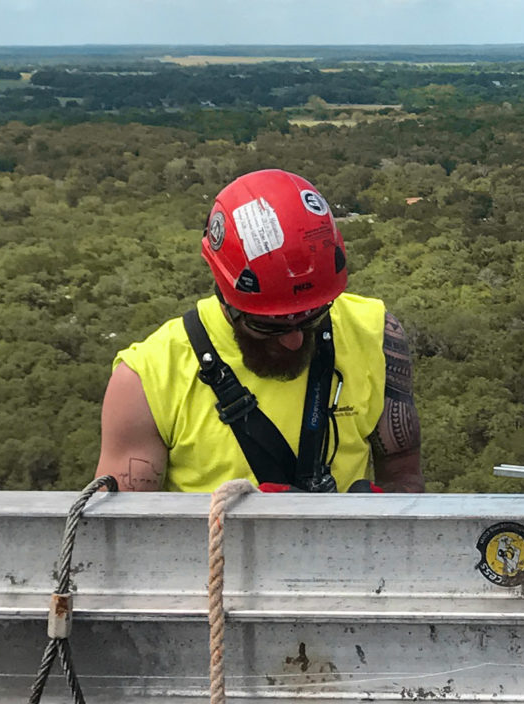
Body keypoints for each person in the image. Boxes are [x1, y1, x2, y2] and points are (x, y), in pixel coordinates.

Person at [97, 169, 422, 493]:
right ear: (227, 297)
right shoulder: (146, 380)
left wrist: (382, 517)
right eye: (267, 325)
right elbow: (127, 535)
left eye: (313, 318)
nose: (294, 341)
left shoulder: (375, 333)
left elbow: (402, 471)